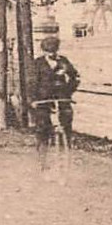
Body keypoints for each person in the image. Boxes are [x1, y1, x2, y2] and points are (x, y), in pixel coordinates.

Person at [29, 35, 80, 173]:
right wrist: (33, 100)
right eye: (48, 51)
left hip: (62, 98)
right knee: (42, 128)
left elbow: (75, 77)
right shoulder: (38, 63)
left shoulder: (63, 61)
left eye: (54, 51)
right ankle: (42, 161)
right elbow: (32, 83)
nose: (52, 54)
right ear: (44, 51)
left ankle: (66, 158)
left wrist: (68, 91)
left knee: (66, 123)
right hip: (43, 100)